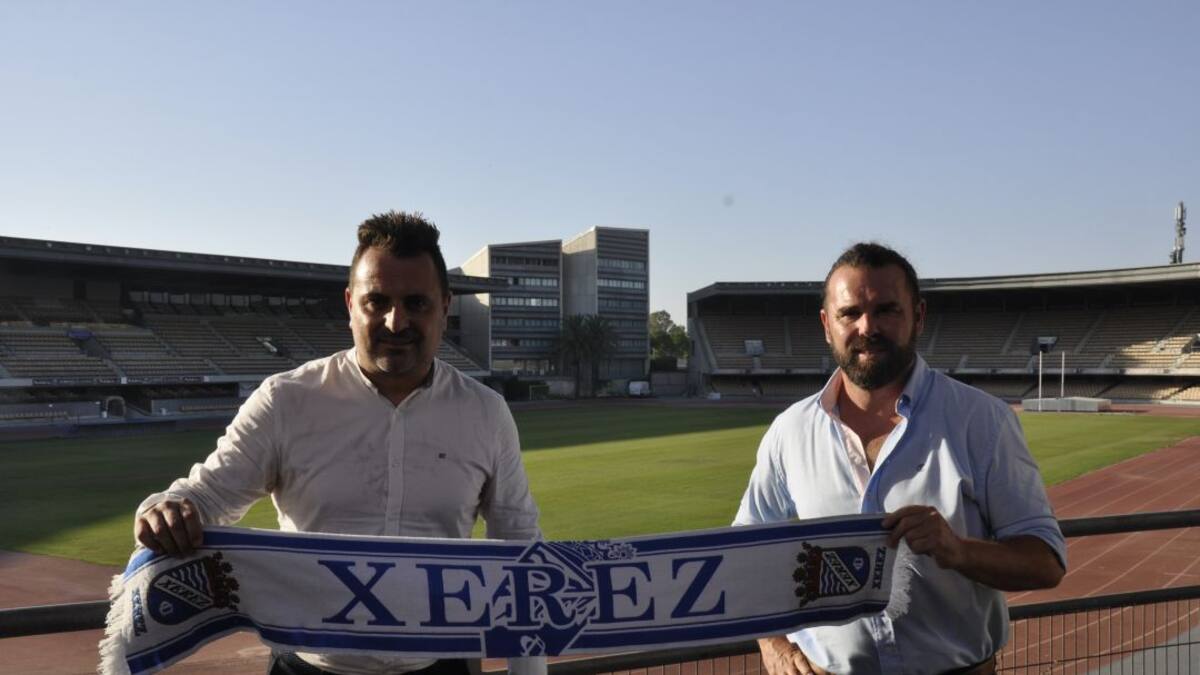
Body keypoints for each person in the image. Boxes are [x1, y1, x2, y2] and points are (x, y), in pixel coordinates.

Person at [134, 211, 543, 675]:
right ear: (350, 304)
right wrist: (166, 506)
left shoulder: (485, 412)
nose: (396, 321)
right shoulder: (286, 400)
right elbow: (207, 496)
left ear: (445, 307)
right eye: (377, 302)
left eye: (416, 303)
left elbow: (520, 546)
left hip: (441, 665)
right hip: (308, 667)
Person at [733, 242, 1066, 675]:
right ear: (826, 325)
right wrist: (773, 643)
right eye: (849, 313)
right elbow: (743, 553)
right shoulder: (790, 431)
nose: (867, 327)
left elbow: (1045, 563)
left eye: (887, 310)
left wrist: (959, 550)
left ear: (919, 317)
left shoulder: (981, 421)